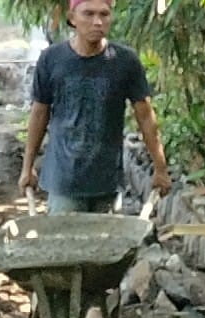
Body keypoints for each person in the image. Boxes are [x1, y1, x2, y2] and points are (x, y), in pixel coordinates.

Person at [19, 0, 171, 213]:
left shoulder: (124, 61)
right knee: (66, 243)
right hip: (65, 180)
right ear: (72, 18)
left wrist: (160, 167)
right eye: (88, 14)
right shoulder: (52, 59)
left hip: (107, 180)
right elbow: (39, 113)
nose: (97, 22)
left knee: (106, 243)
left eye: (104, 14)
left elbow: (145, 115)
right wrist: (27, 168)